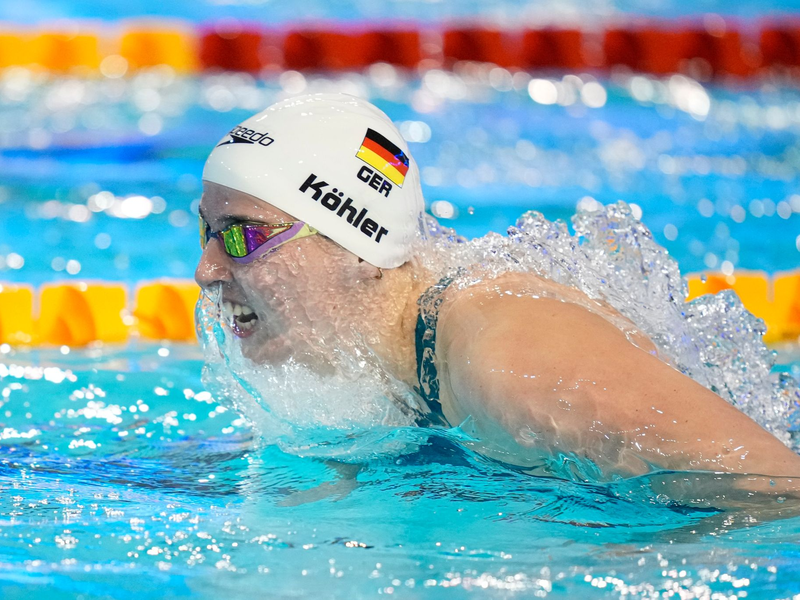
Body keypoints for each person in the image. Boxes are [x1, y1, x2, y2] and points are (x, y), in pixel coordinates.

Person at [195, 92, 800, 481]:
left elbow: (775, 491)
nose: (207, 270)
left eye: (242, 236)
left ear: (359, 246)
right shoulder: (381, 350)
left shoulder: (514, 360)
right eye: (206, 231)